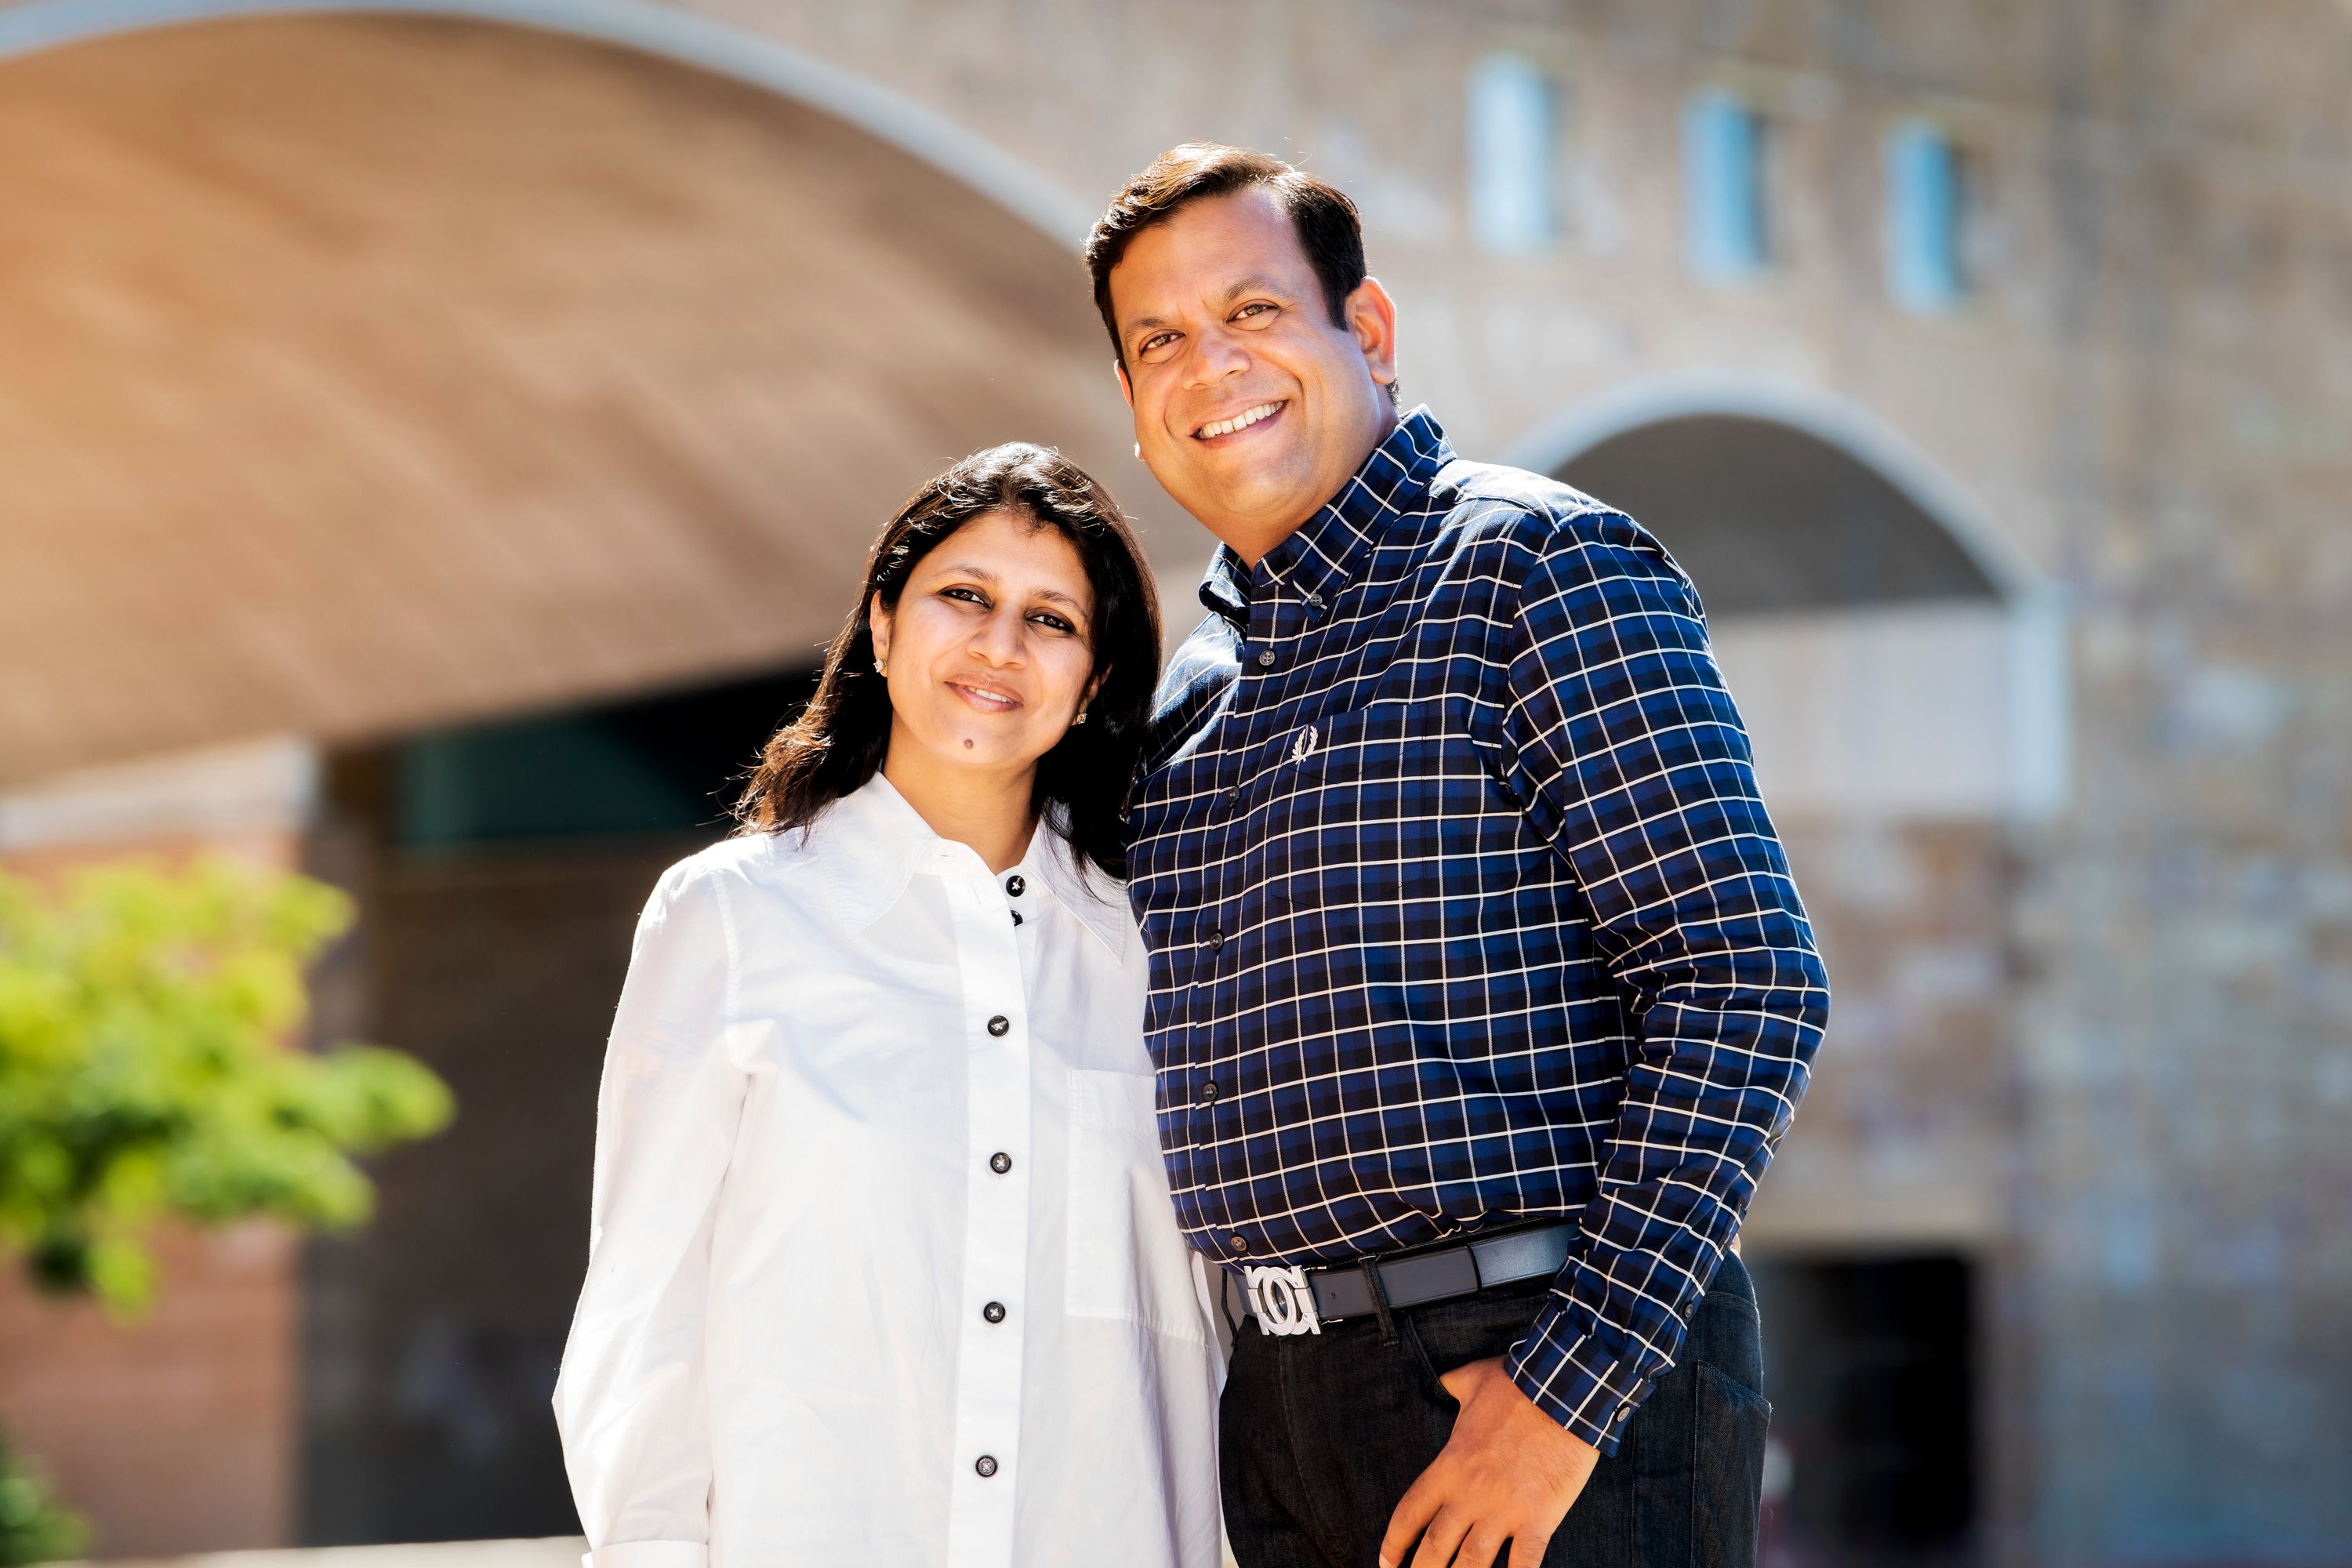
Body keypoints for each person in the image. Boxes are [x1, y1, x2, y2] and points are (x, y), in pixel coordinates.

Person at [1086, 144, 1832, 1568]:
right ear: (1132, 401)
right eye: (1161, 340)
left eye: (1253, 311)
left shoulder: (1540, 567)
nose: (1211, 365)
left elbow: (1743, 982)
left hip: (1534, 1384)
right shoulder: (1189, 704)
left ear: (1367, 331)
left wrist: (1563, 1398)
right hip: (1276, 1409)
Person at [550, 444, 1224, 1568]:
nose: (1000, 645)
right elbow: (642, 1310)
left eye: (1051, 620)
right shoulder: (731, 918)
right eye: (964, 596)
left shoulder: (1164, 945)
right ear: (881, 624)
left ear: (1097, 681)